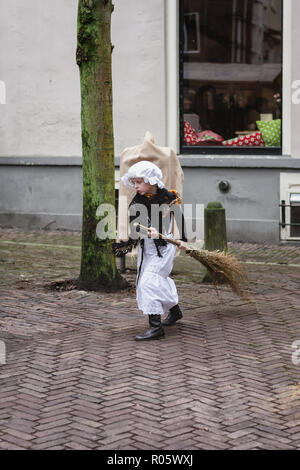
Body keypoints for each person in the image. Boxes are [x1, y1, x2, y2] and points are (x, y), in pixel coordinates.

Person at [112, 161, 187, 341]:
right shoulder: (137, 201)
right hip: (148, 251)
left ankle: (156, 328)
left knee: (148, 283)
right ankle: (175, 312)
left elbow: (178, 216)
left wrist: (183, 239)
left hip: (164, 249)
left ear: (151, 180)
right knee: (154, 281)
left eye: (139, 182)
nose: (135, 186)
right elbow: (135, 228)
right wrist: (145, 230)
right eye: (134, 182)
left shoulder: (168, 197)